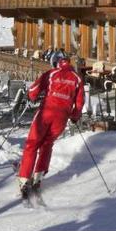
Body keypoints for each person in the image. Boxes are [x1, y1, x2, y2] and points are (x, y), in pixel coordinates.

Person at [18, 53, 85, 197]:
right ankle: (38, 176)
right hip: (61, 117)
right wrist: (74, 116)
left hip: (46, 113)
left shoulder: (52, 73)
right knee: (47, 144)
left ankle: (24, 179)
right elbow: (79, 102)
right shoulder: (77, 78)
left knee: (32, 144)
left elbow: (34, 89)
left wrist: (30, 96)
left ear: (56, 63)